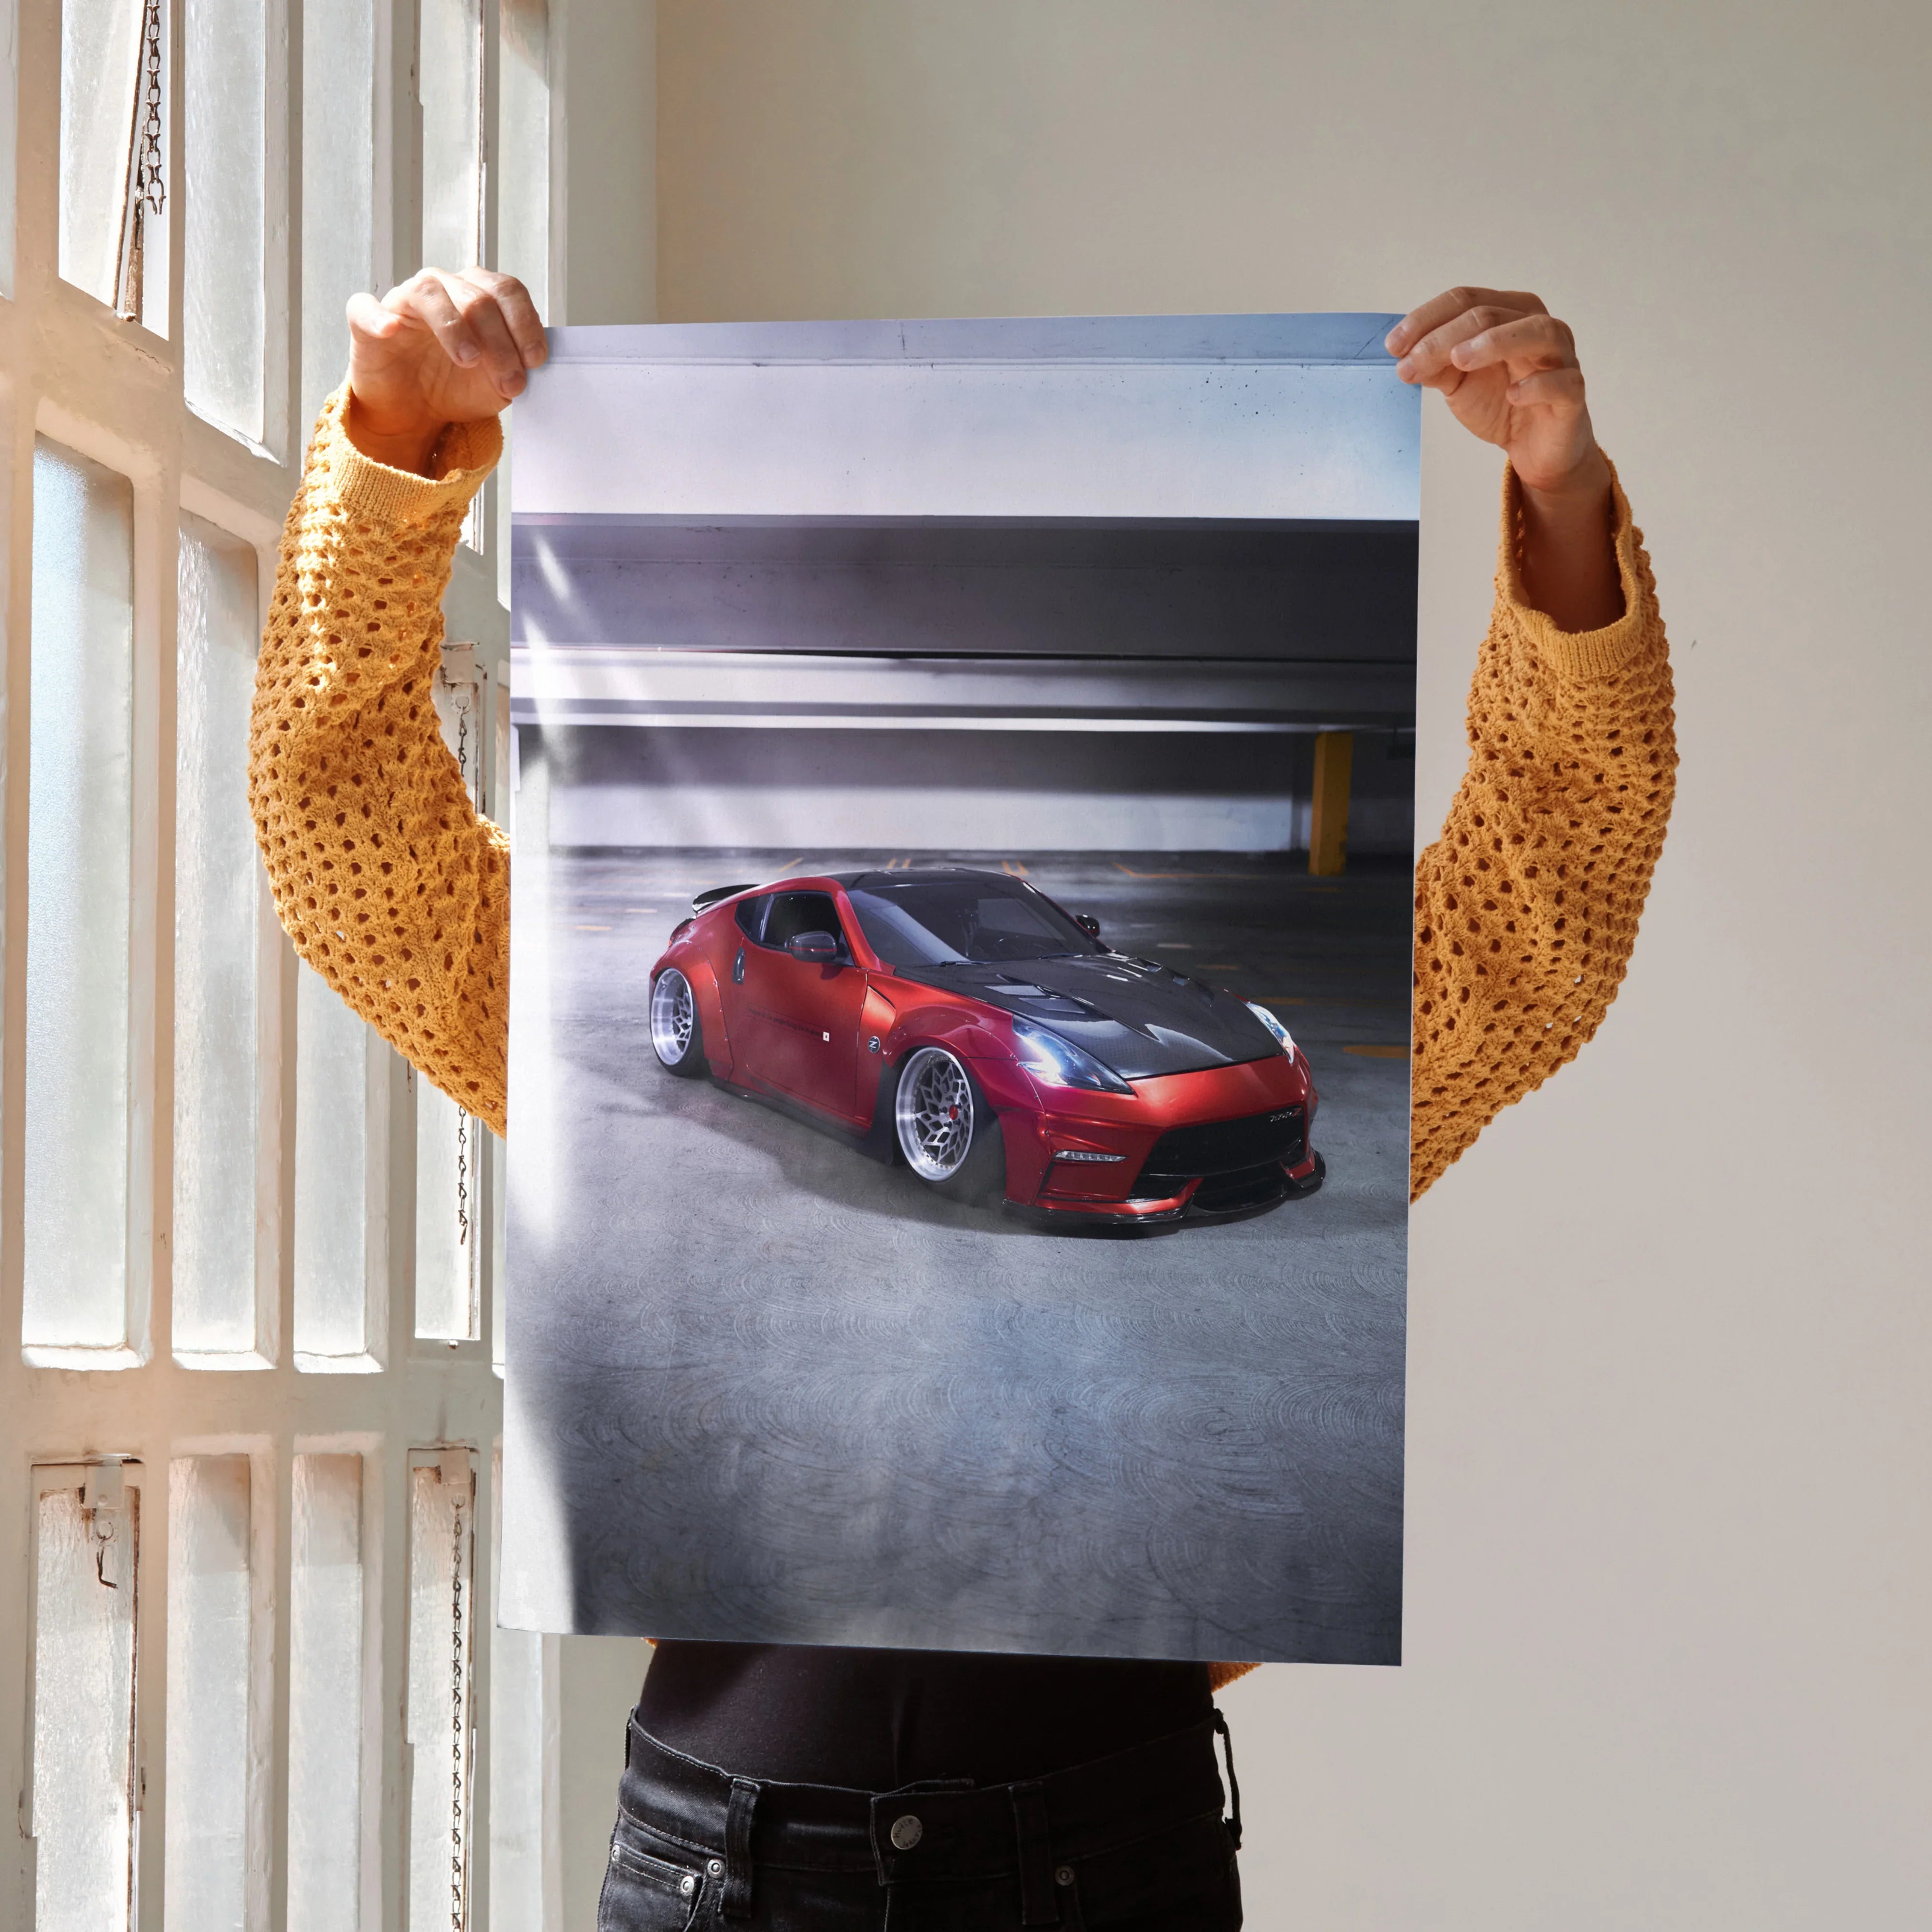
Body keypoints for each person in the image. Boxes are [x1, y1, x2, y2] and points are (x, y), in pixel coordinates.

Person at [250, 270, 1675, 1930]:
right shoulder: (675, 1008)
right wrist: (393, 444)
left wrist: (1560, 496)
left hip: (1106, 1852)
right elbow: (347, 841)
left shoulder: (1167, 1036)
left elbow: (1546, 904)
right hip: (729, 1864)